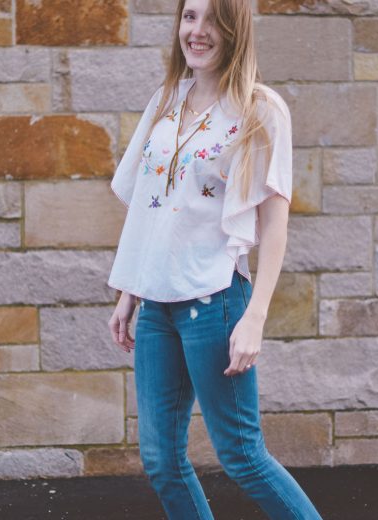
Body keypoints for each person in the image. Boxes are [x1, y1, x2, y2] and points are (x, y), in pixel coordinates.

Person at [107, 0, 324, 518]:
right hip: (157, 306)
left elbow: (274, 224)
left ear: (235, 29)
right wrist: (129, 290)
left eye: (212, 20)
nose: (197, 31)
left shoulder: (260, 108)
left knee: (242, 456)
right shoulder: (167, 99)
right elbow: (149, 205)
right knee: (161, 460)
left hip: (216, 302)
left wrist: (256, 318)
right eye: (188, 17)